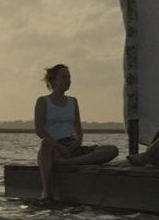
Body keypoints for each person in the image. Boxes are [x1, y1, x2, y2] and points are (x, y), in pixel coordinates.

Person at [34, 64, 118, 201]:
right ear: (53, 80)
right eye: (64, 77)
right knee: (45, 142)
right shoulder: (43, 101)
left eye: (69, 77)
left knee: (111, 150)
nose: (68, 80)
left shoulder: (73, 101)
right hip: (53, 147)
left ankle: (66, 162)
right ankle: (46, 190)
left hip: (71, 146)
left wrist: (74, 146)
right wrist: (60, 148)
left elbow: (78, 131)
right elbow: (39, 130)